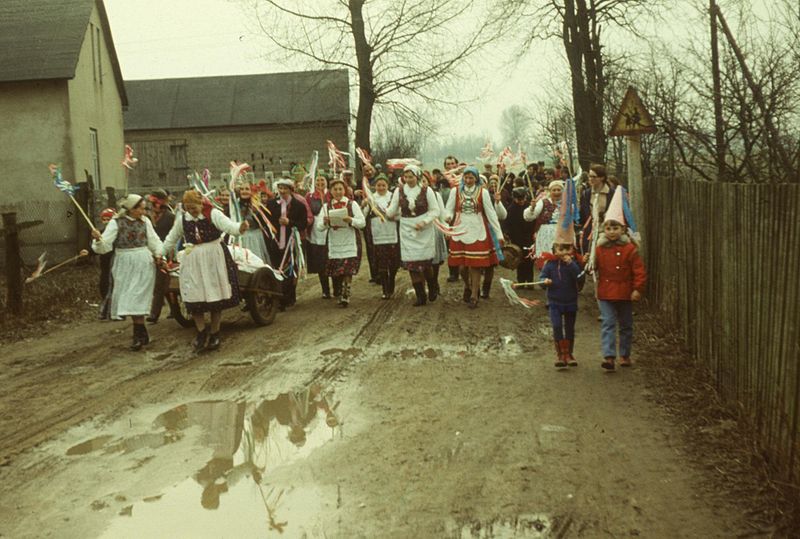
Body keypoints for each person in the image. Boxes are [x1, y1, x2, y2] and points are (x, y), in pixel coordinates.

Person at [162, 190, 249, 352]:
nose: (191, 211)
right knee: (194, 296)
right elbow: (171, 238)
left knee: (215, 295)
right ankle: (201, 331)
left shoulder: (213, 214)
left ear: (201, 204)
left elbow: (229, 226)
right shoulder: (183, 219)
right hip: (193, 260)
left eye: (194, 208)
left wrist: (240, 227)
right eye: (188, 208)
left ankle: (215, 332)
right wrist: (159, 253)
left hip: (213, 257)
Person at [91, 194, 164, 351]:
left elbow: (154, 240)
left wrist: (158, 253)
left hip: (143, 261)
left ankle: (138, 334)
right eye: (141, 209)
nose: (144, 212)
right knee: (129, 296)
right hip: (124, 262)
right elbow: (105, 246)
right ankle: (141, 331)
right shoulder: (116, 223)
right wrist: (98, 240)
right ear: (131, 209)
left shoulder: (146, 222)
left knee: (137, 296)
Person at [594, 187, 647, 370]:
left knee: (626, 324)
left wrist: (637, 288)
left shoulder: (630, 249)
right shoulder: (600, 249)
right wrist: (585, 262)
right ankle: (609, 356)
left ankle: (624, 354)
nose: (611, 232)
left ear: (623, 229)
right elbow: (593, 267)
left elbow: (639, 271)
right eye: (608, 228)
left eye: (615, 228)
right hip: (606, 292)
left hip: (625, 292)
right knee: (608, 323)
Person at [444, 166, 504, 309]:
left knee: (475, 265)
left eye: (471, 178)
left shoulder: (482, 192)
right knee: (463, 267)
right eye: (466, 177)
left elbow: (491, 214)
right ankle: (468, 285)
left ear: (476, 179)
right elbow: (449, 210)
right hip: (460, 228)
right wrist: (447, 222)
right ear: (463, 178)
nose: (468, 180)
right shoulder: (455, 191)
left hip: (477, 228)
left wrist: (499, 234)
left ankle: (474, 295)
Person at [539, 180, 584, 368]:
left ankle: (570, 353)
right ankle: (560, 354)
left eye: (567, 248)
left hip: (571, 301)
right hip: (555, 302)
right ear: (554, 248)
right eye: (560, 248)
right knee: (557, 326)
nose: (563, 252)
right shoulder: (549, 263)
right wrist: (545, 282)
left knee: (570, 328)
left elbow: (580, 280)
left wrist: (572, 264)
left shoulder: (574, 262)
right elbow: (541, 279)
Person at [385, 164, 440, 306]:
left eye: (411, 177)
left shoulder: (427, 191)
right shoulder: (399, 191)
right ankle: (420, 295)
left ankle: (432, 285)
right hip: (407, 229)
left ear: (417, 176)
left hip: (424, 229)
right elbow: (392, 210)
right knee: (412, 263)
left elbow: (435, 211)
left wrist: (424, 222)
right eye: (406, 177)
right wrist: (386, 212)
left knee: (425, 262)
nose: (408, 179)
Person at [317, 177, 366, 306]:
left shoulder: (352, 204)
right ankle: (339, 290)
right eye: (335, 189)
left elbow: (362, 223)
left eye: (340, 189)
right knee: (337, 270)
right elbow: (319, 227)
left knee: (348, 269)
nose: (338, 192)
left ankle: (346, 293)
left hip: (349, 240)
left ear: (344, 190)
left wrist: (351, 220)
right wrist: (325, 222)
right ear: (331, 191)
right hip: (335, 242)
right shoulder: (326, 206)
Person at [265, 179, 309, 309]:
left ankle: (289, 297)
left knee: (290, 270)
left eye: (285, 188)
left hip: (292, 242)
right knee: (277, 269)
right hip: (276, 241)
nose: (282, 191)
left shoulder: (299, 205)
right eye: (280, 188)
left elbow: (303, 224)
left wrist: (290, 222)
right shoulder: (272, 204)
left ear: (291, 189)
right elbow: (267, 221)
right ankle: (278, 297)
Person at [364, 174, 400, 299]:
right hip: (378, 232)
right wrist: (364, 205)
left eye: (383, 185)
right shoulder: (371, 198)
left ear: (387, 186)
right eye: (378, 185)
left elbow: (399, 213)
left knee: (394, 261)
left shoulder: (393, 197)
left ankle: (392, 278)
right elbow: (364, 215)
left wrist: (393, 216)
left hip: (392, 231)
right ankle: (385, 289)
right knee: (381, 262)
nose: (381, 187)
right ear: (375, 186)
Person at [147, 190, 176, 324]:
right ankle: (174, 309)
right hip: (149, 252)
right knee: (161, 284)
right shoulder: (146, 217)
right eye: (151, 203)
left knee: (161, 282)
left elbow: (175, 235)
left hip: (165, 252)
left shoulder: (170, 217)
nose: (153, 206)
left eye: (154, 203)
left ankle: (154, 314)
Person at [524, 180, 563, 269]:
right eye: (554, 190)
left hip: (561, 234)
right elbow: (529, 217)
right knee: (547, 259)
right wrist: (532, 208)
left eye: (558, 190)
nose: (556, 192)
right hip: (546, 234)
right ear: (550, 191)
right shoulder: (543, 202)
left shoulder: (566, 203)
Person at [502, 187, 536, 283]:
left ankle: (530, 281)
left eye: (523, 199)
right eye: (518, 199)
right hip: (516, 237)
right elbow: (507, 223)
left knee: (529, 259)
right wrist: (507, 232)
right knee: (519, 259)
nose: (521, 201)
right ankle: (520, 279)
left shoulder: (529, 207)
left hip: (528, 237)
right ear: (514, 198)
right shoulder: (511, 209)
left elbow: (534, 219)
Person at [306, 176, 333, 298]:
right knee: (321, 261)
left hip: (330, 229)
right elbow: (307, 211)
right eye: (318, 180)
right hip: (315, 231)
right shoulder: (310, 196)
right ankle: (325, 290)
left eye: (323, 180)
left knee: (332, 259)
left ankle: (337, 287)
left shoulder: (331, 194)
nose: (320, 183)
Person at [236, 183, 271, 264]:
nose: (244, 191)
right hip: (241, 237)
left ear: (251, 191)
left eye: (247, 189)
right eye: (242, 189)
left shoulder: (257, 204)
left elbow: (264, 223)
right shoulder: (235, 205)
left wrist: (257, 213)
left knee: (256, 261)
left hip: (255, 237)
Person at [442, 155, 461, 283]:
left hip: (460, 216)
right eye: (448, 164)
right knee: (451, 247)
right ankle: (453, 272)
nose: (450, 166)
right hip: (447, 216)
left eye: (452, 163)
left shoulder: (461, 179)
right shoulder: (442, 181)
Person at [97, 207, 116, 320]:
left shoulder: (116, 232)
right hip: (104, 263)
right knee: (104, 285)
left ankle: (108, 311)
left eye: (109, 219)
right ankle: (107, 309)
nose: (106, 222)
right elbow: (97, 247)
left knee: (112, 286)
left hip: (114, 261)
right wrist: (89, 251)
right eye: (104, 219)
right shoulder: (101, 232)